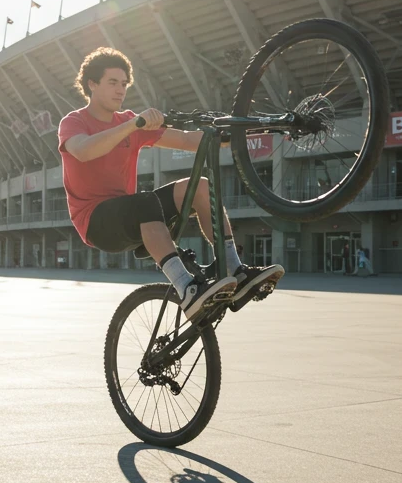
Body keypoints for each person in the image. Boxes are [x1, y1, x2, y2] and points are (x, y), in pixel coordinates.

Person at [59, 47, 285, 320]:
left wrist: (259, 130)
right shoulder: (74, 122)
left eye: (124, 84)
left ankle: (234, 270)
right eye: (112, 83)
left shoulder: (130, 122)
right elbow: (84, 151)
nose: (120, 90)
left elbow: (189, 140)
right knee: (144, 201)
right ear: (92, 84)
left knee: (200, 186)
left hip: (132, 214)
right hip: (97, 223)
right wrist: (132, 125)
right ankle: (185, 286)